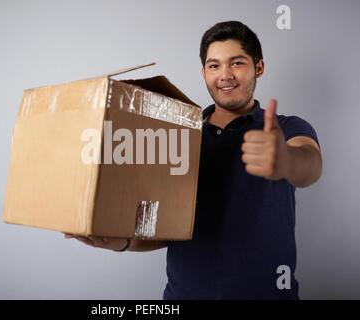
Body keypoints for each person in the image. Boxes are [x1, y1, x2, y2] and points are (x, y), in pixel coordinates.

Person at [63, 21, 322, 300]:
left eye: (236, 63)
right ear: (203, 73)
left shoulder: (287, 128)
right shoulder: (179, 136)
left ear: (258, 67)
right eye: (214, 66)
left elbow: (310, 165)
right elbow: (171, 226)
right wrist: (124, 242)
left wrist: (285, 161)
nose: (225, 75)